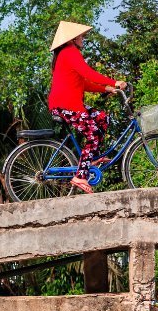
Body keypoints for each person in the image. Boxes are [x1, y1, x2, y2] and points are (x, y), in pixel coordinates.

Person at [48, 21, 127, 193]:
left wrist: (106, 88)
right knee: (93, 134)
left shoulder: (66, 54)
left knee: (102, 117)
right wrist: (114, 81)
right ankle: (80, 176)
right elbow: (88, 73)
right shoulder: (69, 52)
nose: (83, 38)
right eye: (82, 36)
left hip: (70, 105)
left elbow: (82, 82)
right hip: (65, 106)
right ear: (73, 38)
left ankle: (90, 159)